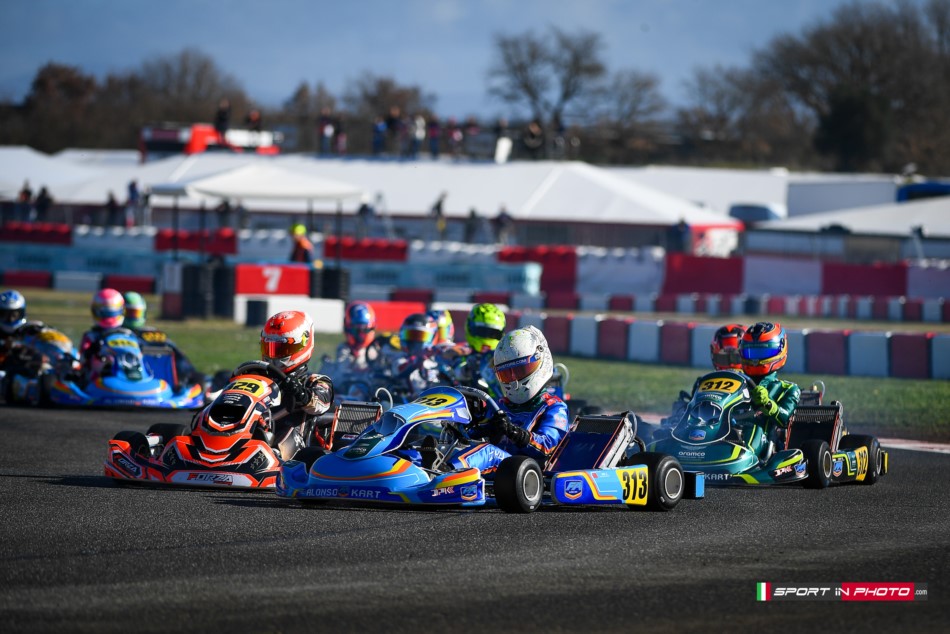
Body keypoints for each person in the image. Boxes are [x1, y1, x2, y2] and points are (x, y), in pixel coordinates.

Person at [448, 326, 569, 474]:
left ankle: (447, 472)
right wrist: (467, 425)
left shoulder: (554, 407)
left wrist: (513, 432)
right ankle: (431, 469)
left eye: (520, 371)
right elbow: (475, 435)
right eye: (506, 374)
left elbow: (548, 446)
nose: (513, 379)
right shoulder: (502, 405)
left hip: (530, 472)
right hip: (501, 474)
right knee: (456, 448)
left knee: (488, 452)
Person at [250, 311, 334, 451]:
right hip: (252, 442)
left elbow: (320, 403)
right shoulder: (257, 378)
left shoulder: (314, 382)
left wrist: (300, 392)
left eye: (280, 349)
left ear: (302, 345)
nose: (273, 356)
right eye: (269, 348)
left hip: (293, 453)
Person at [739, 322, 801, 449]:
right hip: (731, 431)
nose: (755, 360)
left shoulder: (788, 389)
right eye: (751, 353)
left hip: (767, 442)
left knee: (754, 428)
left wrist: (768, 403)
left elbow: (784, 419)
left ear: (780, 350)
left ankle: (743, 456)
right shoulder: (738, 382)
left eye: (763, 352)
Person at [443, 302, 507, 398]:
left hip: (499, 401)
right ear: (469, 328)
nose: (487, 337)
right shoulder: (461, 351)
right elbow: (446, 360)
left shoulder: (505, 356)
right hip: (466, 400)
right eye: (482, 331)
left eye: (493, 333)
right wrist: (466, 369)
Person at [79, 288, 130, 379]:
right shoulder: (91, 336)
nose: (108, 316)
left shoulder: (128, 334)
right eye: (105, 312)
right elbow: (82, 360)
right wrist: (91, 351)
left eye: (111, 312)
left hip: (125, 374)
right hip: (97, 378)